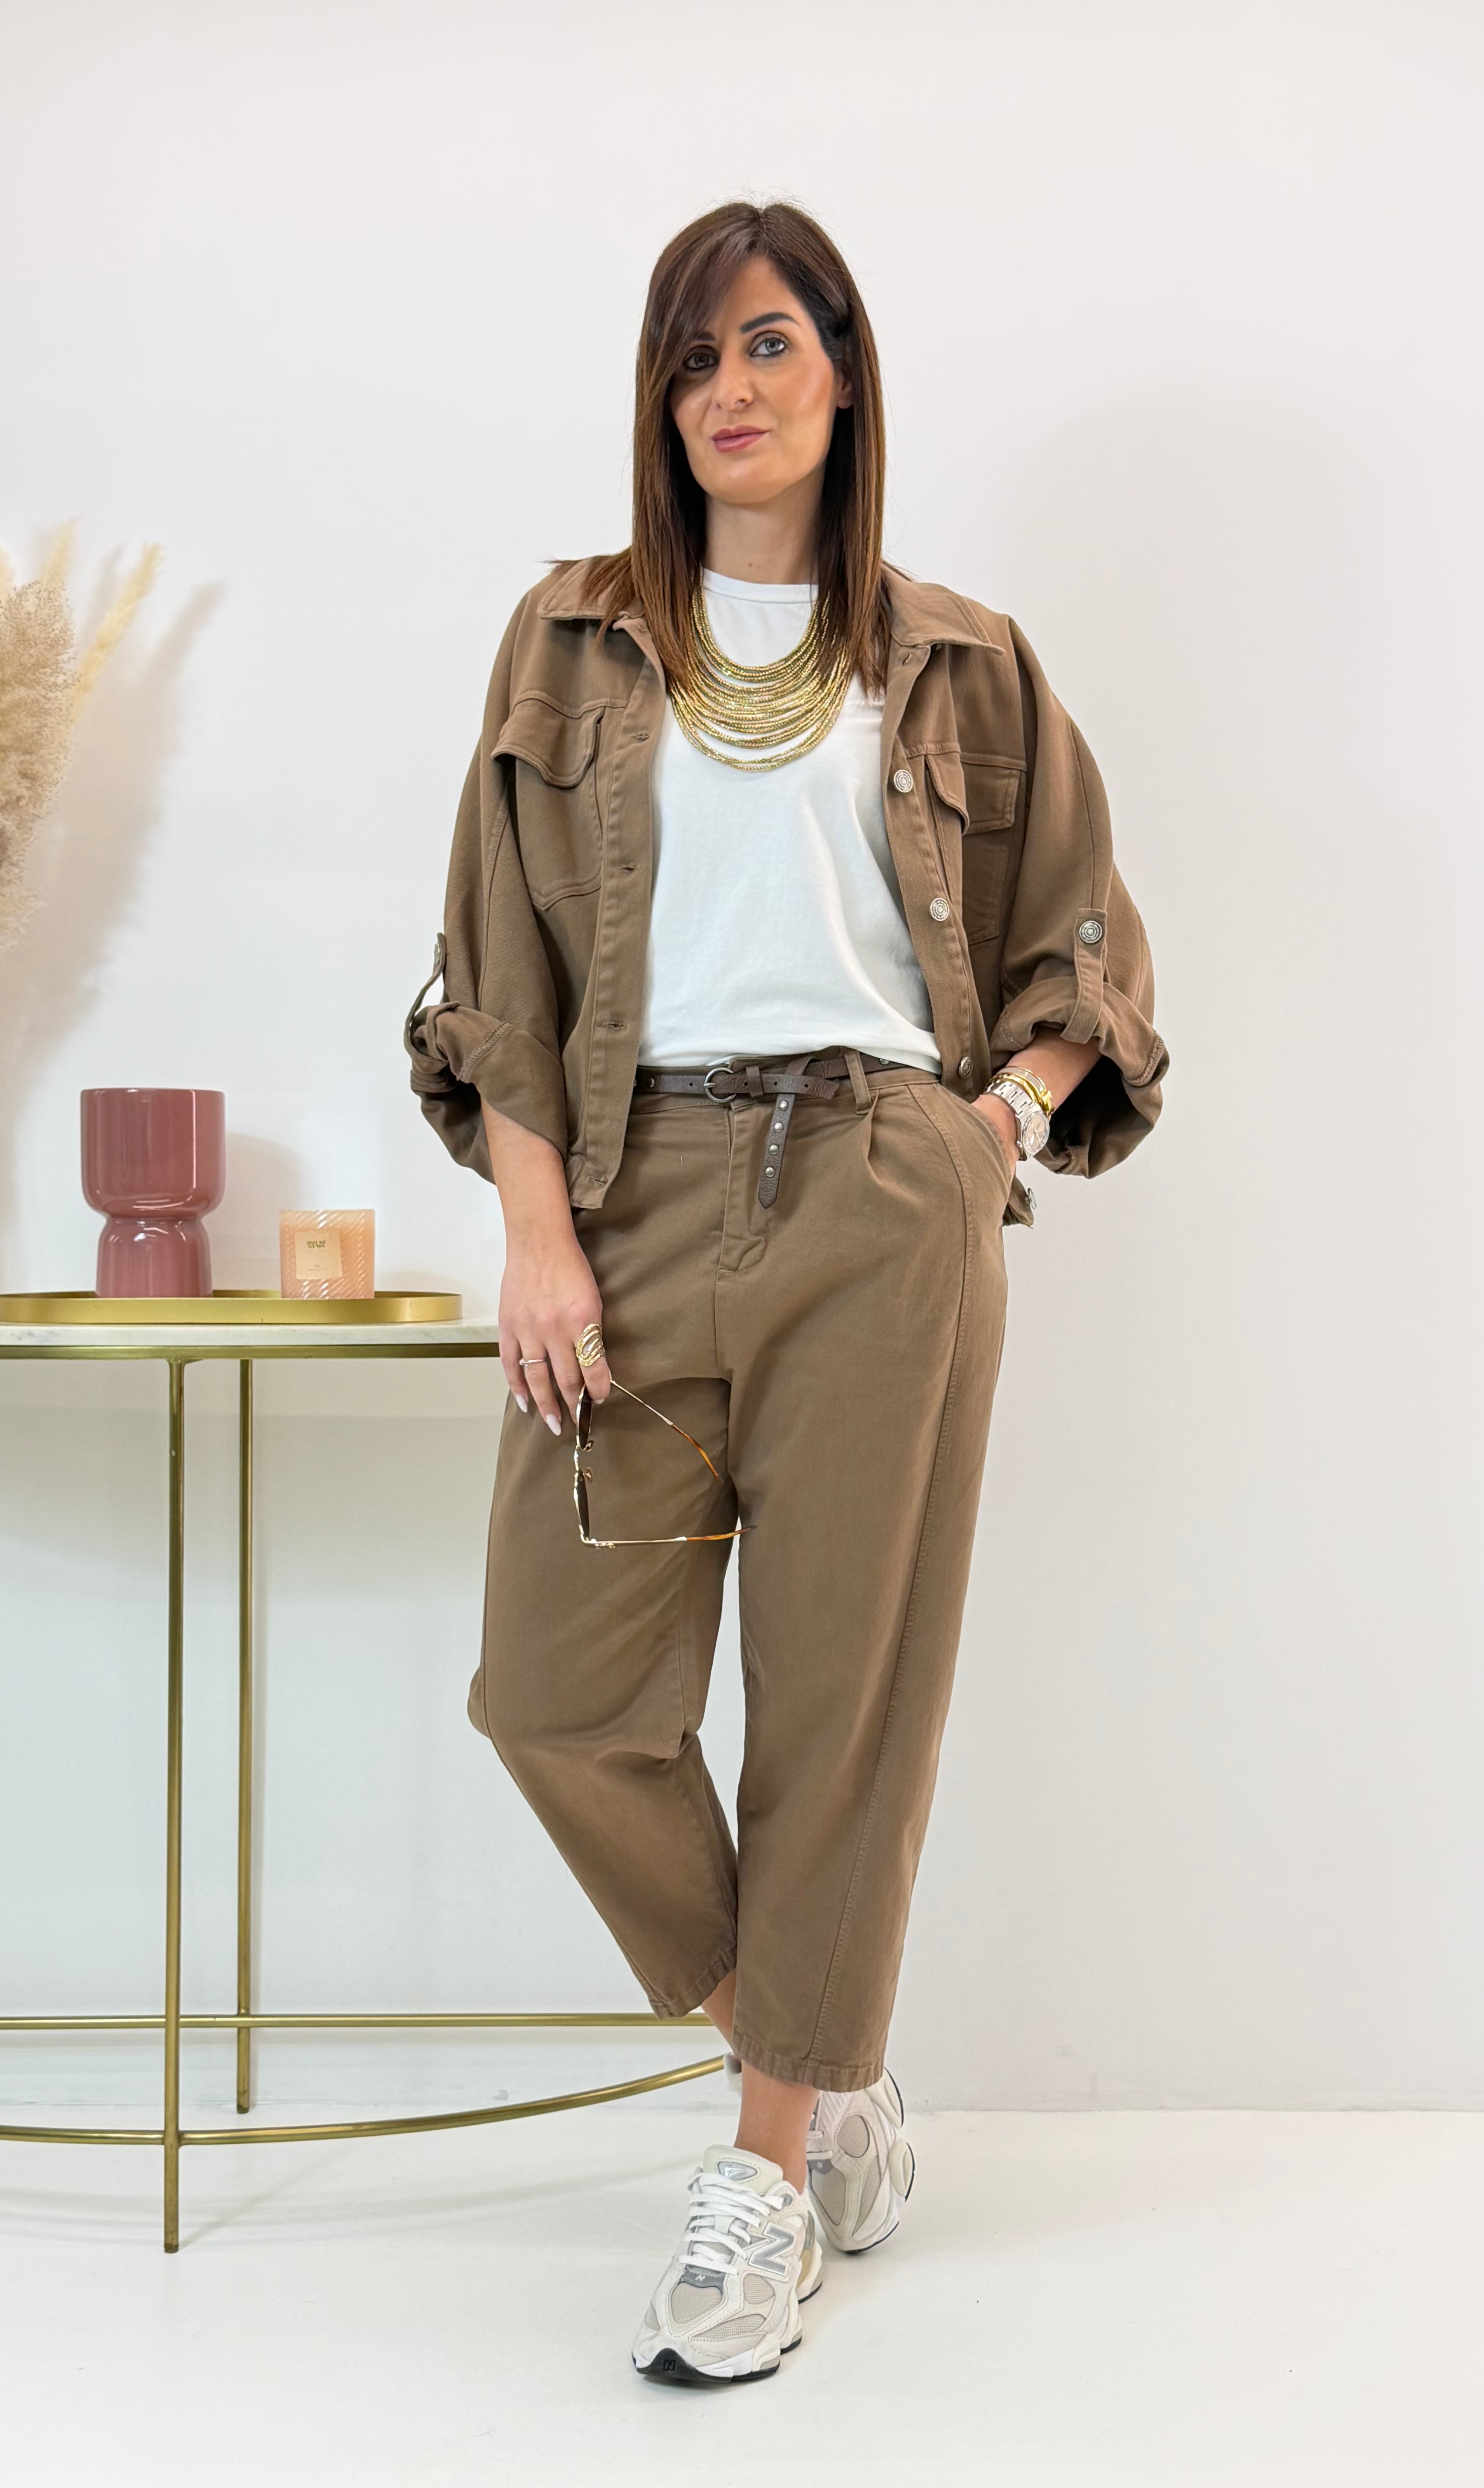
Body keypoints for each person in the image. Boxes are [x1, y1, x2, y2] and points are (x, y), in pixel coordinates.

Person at [405, 199, 1166, 2385]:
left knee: (841, 1709)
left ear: (843, 370)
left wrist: (991, 1128)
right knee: (555, 1698)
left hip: (882, 1194)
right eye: (691, 356)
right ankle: (826, 2079)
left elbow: (1093, 951)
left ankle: (758, 2182)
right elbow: (498, 971)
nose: (727, 390)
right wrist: (536, 1231)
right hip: (628, 1193)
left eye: (766, 344)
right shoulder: (569, 643)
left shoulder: (965, 662)